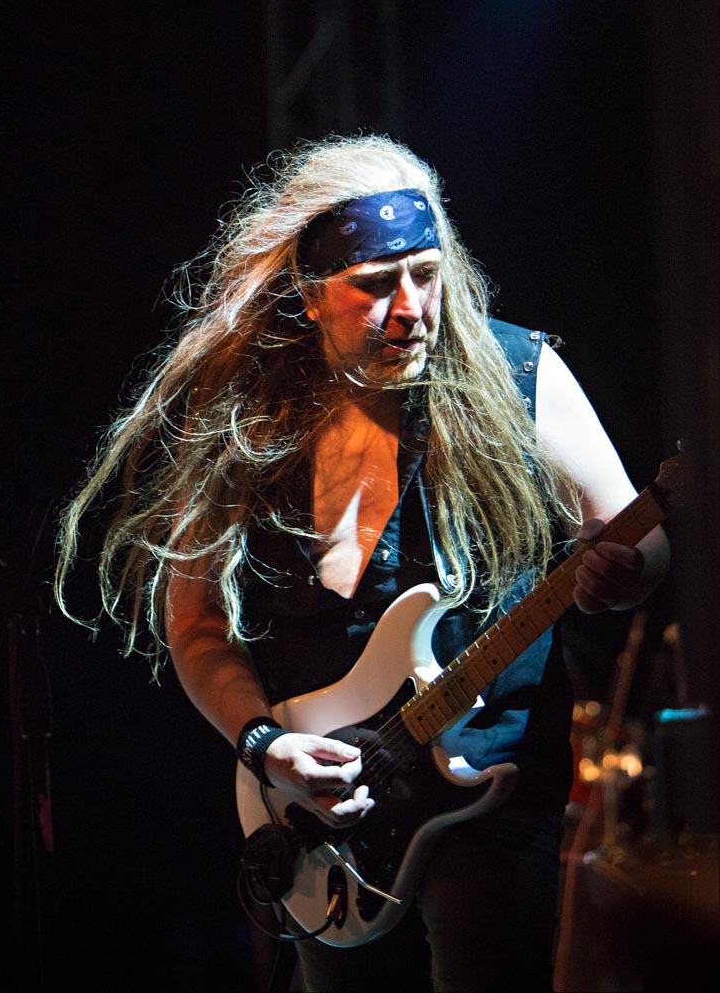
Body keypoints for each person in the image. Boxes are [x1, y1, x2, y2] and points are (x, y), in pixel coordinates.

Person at [56, 135, 669, 992]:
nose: (410, 308)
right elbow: (194, 622)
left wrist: (624, 572)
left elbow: (635, 534)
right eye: (375, 285)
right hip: (324, 816)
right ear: (309, 295)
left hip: (486, 789)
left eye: (426, 274)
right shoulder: (249, 416)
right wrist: (263, 743)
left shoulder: (519, 371)